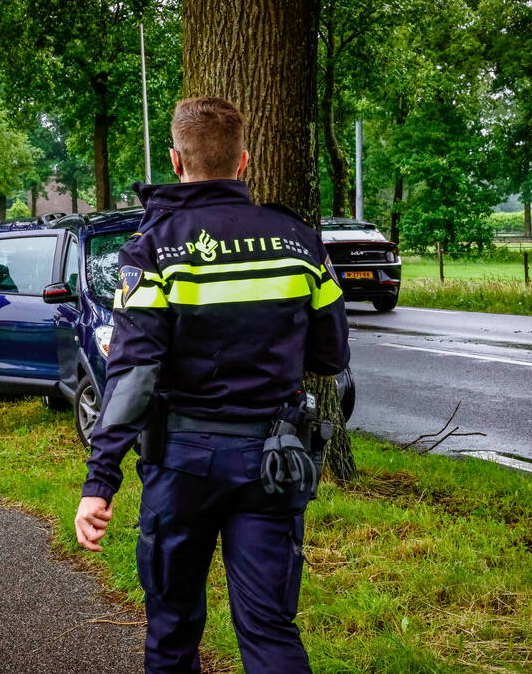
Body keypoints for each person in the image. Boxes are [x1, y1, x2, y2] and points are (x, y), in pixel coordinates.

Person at [74, 98, 350, 673]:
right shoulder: (299, 240)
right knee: (270, 628)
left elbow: (135, 374)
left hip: (182, 463)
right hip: (273, 461)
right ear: (243, 161)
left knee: (172, 627)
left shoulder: (154, 247)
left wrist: (101, 481)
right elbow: (331, 356)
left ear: (176, 161)